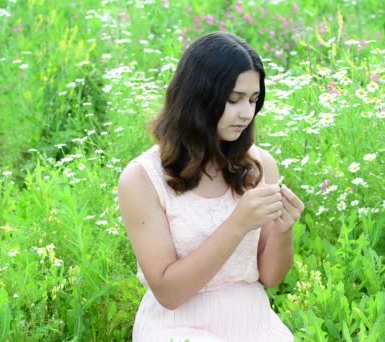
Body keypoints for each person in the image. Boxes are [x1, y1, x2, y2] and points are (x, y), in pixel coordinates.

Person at [117, 31, 305, 342]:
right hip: (176, 327)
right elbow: (168, 292)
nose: (246, 113)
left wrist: (284, 230)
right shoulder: (142, 179)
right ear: (198, 97)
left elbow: (271, 277)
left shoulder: (259, 165)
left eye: (253, 100)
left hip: (253, 322)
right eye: (233, 100)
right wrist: (238, 223)